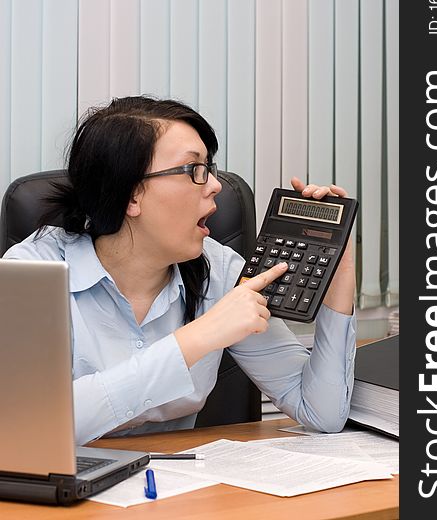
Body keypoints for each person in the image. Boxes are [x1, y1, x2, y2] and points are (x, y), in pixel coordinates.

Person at [2, 95, 357, 445]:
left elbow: (320, 411)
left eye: (210, 168)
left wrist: (338, 270)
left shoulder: (219, 272)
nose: (216, 185)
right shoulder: (32, 273)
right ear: (131, 196)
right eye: (194, 170)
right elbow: (27, 427)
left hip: (177, 495)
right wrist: (196, 338)